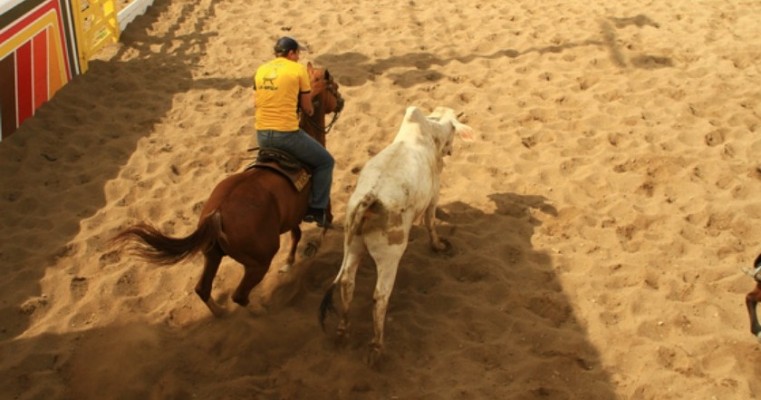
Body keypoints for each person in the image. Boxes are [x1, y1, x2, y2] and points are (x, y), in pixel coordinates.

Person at [253, 37, 334, 227]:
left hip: (262, 135)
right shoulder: (298, 70)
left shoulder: (261, 70)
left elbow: (255, 102)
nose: (298, 57)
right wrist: (309, 109)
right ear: (291, 53)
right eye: (297, 53)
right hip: (286, 135)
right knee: (325, 162)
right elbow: (307, 108)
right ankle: (316, 209)